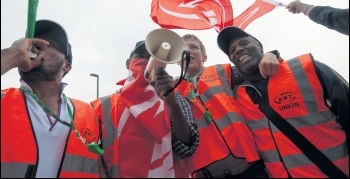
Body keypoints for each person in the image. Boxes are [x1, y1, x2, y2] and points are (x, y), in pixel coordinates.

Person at [217, 26, 349, 178]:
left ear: (260, 47)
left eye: (244, 43)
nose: (238, 50)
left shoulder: (306, 68)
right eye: (232, 51)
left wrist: (273, 54)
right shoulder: (237, 98)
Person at [156, 33, 281, 178]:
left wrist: (272, 54)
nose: (188, 51)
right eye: (183, 49)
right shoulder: (171, 90)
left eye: (193, 47)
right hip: (208, 174)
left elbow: (255, 68)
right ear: (177, 60)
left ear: (204, 57)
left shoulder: (223, 71)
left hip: (252, 169)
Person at [1, 19, 103, 178]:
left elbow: (99, 168)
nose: (35, 47)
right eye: (30, 42)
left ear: (66, 66)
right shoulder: (3, 100)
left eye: (49, 44)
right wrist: (12, 54)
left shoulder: (89, 113)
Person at [91, 40, 199, 178]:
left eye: (153, 58)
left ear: (163, 65)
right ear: (128, 63)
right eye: (140, 56)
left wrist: (171, 102)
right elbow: (95, 159)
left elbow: (187, 147)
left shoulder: (175, 96)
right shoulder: (103, 105)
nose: (147, 62)